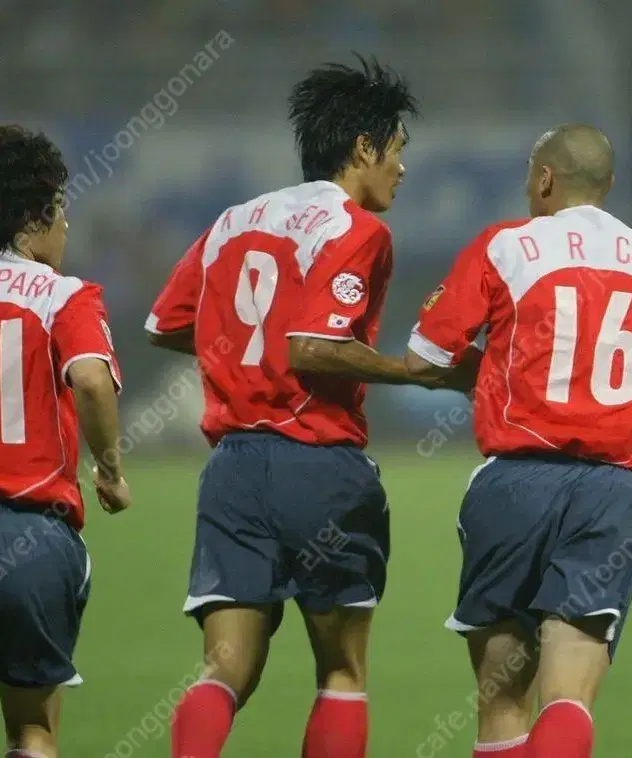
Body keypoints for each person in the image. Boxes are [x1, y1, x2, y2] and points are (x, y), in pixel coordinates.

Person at [146, 55, 462, 758]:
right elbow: (313, 348)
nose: (402, 169)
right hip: (317, 462)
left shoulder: (236, 219)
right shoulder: (358, 230)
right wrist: (417, 375)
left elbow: (167, 325)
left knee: (225, 669)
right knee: (342, 670)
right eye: (399, 150)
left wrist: (235, 356)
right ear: (363, 148)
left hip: (233, 469)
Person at [405, 123, 632, 758]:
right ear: (609, 186)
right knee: (569, 699)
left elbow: (425, 360)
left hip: (513, 487)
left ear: (544, 178)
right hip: (615, 494)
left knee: (503, 702)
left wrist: (494, 378)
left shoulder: (504, 246)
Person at [0, 124, 131, 758]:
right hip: (28, 537)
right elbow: (90, 379)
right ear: (38, 215)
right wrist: (109, 469)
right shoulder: (63, 294)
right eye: (63, 211)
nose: (68, 227)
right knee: (32, 729)